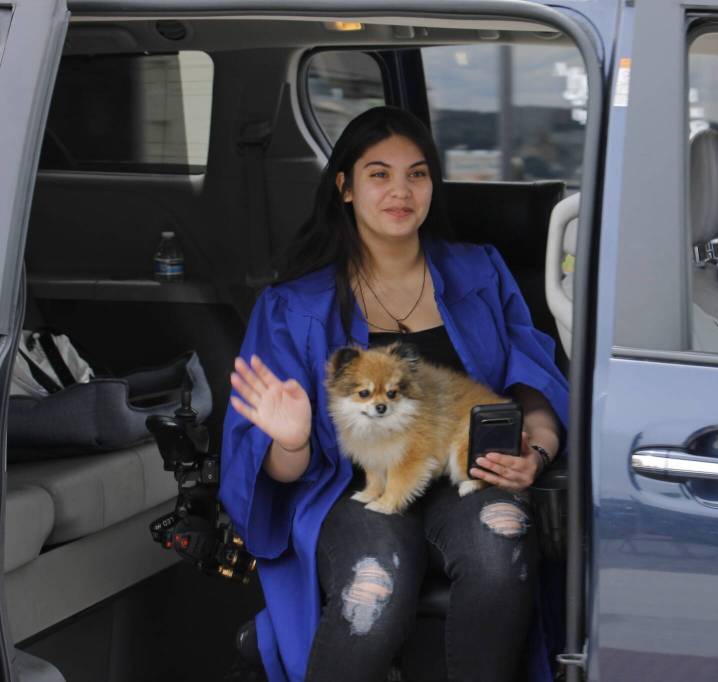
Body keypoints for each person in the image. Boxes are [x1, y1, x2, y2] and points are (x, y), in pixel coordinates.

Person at [220, 106, 568, 682]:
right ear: (346, 188)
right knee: (373, 586)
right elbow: (277, 475)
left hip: (465, 473)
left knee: (503, 538)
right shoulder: (293, 308)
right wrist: (293, 441)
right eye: (379, 174)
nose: (401, 191)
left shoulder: (479, 273)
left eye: (418, 173)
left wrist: (540, 451)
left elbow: (534, 383)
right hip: (347, 488)